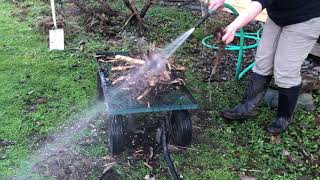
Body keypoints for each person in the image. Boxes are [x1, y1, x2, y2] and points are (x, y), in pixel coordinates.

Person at [208, 0, 320, 134]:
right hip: (278, 15)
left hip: (305, 18)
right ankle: (246, 107)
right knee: (263, 62)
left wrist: (233, 27)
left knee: (285, 70)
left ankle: (283, 118)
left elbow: (258, 4)